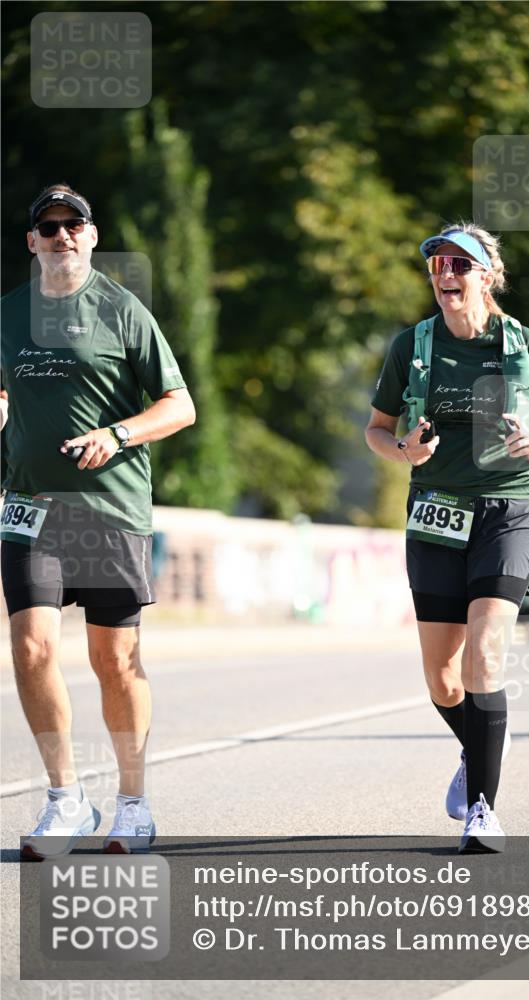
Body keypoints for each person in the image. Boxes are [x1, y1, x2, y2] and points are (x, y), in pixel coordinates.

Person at [365, 222, 529, 852]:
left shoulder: (525, 345)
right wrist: (403, 451)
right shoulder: (412, 346)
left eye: (460, 264)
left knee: (484, 655)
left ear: (488, 276)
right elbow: (376, 429)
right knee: (443, 679)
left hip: (509, 507)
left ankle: (482, 812)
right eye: (438, 265)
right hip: (435, 510)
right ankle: (482, 738)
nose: (446, 275)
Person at [0, 183, 196, 859]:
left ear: (90, 236)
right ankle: (65, 799)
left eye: (73, 225)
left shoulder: (122, 309)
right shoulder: (9, 313)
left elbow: (179, 405)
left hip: (110, 508)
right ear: (32, 241)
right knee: (31, 649)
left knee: (114, 660)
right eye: (49, 226)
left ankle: (133, 804)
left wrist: (117, 434)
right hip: (31, 506)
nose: (61, 236)